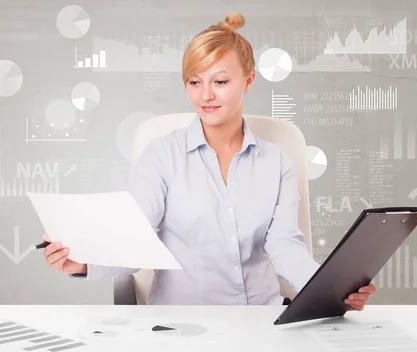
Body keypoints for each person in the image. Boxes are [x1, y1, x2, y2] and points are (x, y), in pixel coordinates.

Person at [42, 12, 377, 308]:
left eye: (220, 81)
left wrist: (335, 292)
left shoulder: (277, 161)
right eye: (194, 82)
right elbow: (135, 241)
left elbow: (285, 246)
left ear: (248, 81)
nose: (205, 95)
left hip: (263, 320)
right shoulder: (162, 155)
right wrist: (82, 263)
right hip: (183, 326)